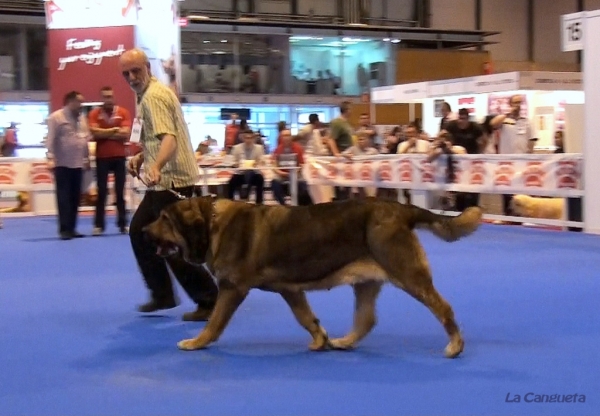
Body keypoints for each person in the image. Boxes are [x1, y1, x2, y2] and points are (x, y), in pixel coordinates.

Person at [119, 48, 218, 321]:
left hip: (172, 181)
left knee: (169, 242)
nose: (130, 77)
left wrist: (156, 165)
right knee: (142, 232)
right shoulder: (149, 95)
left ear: (147, 67)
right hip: (166, 181)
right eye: (125, 73)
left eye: (135, 70)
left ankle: (209, 299)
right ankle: (163, 294)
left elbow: (170, 139)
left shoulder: (153, 97)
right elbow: (159, 138)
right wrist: (143, 157)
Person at [46, 91, 91, 240]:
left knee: (75, 198)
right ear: (70, 101)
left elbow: (85, 139)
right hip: (62, 163)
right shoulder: (56, 117)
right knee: (63, 198)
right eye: (79, 102)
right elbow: (51, 139)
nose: (81, 105)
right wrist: (50, 157)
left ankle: (72, 228)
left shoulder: (82, 119)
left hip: (78, 163)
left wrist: (87, 158)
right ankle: (64, 229)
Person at [88, 86, 132, 235]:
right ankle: (99, 225)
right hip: (102, 157)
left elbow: (125, 134)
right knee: (101, 192)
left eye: (110, 96)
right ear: (101, 98)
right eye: (105, 97)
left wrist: (104, 133)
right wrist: (114, 130)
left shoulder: (123, 112)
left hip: (119, 156)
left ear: (114, 97)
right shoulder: (94, 114)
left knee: (120, 192)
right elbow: (94, 133)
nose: (108, 99)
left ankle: (123, 224)